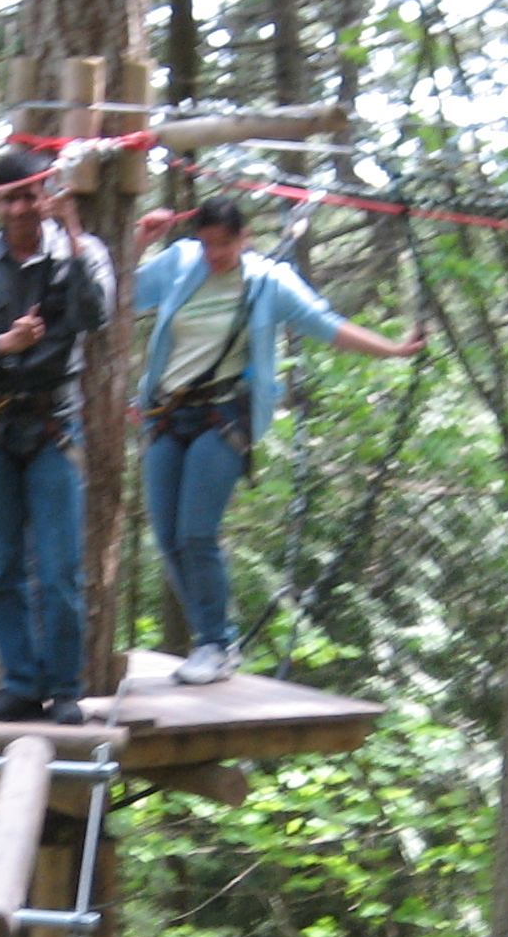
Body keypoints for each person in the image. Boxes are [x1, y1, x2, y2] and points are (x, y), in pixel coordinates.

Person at [131, 195, 424, 683]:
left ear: (245, 238)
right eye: (206, 244)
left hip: (223, 416)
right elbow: (120, 294)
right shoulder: (181, 263)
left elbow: (326, 325)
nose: (213, 255)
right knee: (167, 536)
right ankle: (209, 637)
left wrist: (392, 350)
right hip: (165, 413)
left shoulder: (269, 282)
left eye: (223, 245)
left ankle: (215, 643)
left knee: (196, 532)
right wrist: (140, 242)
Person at [0, 150, 115, 726]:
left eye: (30, 195)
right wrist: (4, 346)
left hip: (53, 429)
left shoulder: (82, 253)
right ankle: (20, 685)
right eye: (10, 198)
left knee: (61, 572)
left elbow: (97, 316)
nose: (21, 208)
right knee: (4, 572)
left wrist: (74, 234)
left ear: (46, 197)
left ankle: (65, 689)